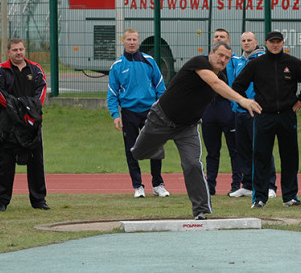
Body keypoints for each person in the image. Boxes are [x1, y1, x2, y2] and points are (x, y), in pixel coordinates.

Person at [130, 41, 262, 220]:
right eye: (220, 55)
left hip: (187, 127)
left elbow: (222, 90)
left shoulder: (222, 79)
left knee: (193, 164)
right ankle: (157, 146)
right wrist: (242, 100)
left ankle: (200, 210)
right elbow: (214, 84)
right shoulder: (199, 63)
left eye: (227, 58)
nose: (222, 60)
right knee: (138, 153)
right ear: (211, 53)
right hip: (161, 118)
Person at [232, 31, 301, 209]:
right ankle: (259, 198)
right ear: (266, 43)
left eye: (278, 42)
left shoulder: (292, 62)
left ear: (283, 43)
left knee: (290, 157)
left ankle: (290, 197)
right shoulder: (256, 64)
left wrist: (300, 101)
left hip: (286, 116)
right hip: (263, 116)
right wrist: (248, 104)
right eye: (272, 42)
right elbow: (238, 85)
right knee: (261, 157)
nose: (275, 45)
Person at [107, 28, 169, 199]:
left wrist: (161, 110)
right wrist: (115, 115)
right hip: (129, 113)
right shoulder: (117, 66)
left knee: (155, 147)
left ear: (138, 41)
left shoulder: (150, 62)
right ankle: (138, 186)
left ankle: (158, 184)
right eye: (129, 39)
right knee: (132, 149)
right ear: (123, 41)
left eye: (135, 39)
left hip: (150, 112)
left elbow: (160, 88)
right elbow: (112, 93)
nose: (132, 42)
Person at [0, 38, 48, 211]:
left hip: (32, 124)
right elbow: (0, 95)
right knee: (6, 164)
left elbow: (42, 92)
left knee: (36, 162)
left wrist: (28, 111)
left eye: (21, 49)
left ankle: (39, 200)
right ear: (8, 52)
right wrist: (18, 110)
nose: (19, 53)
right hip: (8, 124)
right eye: (15, 50)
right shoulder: (0, 70)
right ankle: (1, 201)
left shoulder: (36, 69)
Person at [229, 31, 277, 199]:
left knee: (262, 149)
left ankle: (270, 185)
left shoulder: (263, 60)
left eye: (250, 40)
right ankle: (248, 184)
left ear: (256, 42)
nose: (246, 43)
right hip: (239, 112)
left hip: (256, 111)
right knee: (243, 150)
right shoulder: (238, 61)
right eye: (243, 40)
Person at [201, 29, 241, 196]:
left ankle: (236, 184)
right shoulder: (204, 62)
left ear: (229, 41)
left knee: (235, 149)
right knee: (212, 151)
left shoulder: (235, 62)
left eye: (222, 37)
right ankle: (210, 185)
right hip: (209, 109)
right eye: (216, 37)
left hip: (228, 109)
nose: (218, 39)